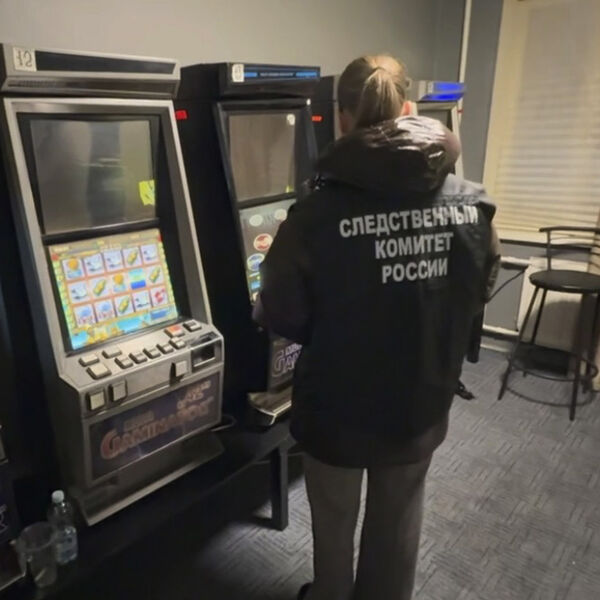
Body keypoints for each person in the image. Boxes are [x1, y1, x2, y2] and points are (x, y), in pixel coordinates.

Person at [254, 54, 500, 600]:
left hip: (337, 408)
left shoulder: (314, 214)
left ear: (342, 117)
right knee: (399, 518)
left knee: (334, 523)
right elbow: (478, 290)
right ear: (408, 109)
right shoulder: (473, 202)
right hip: (422, 397)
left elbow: (281, 313)